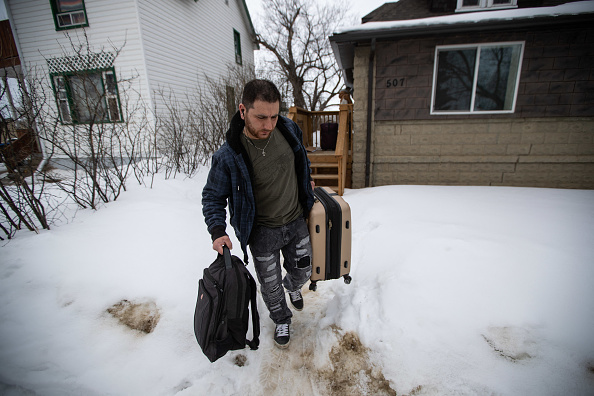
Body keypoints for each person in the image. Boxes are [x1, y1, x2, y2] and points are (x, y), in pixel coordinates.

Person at [202, 79, 315, 349]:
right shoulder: (229, 155)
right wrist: (218, 231)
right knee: (270, 284)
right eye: (261, 117)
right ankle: (281, 317)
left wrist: (306, 179)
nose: (269, 125)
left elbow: (301, 159)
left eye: (274, 116)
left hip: (296, 220)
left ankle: (294, 286)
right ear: (243, 111)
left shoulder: (288, 129)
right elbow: (212, 196)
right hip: (262, 231)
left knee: (304, 271)